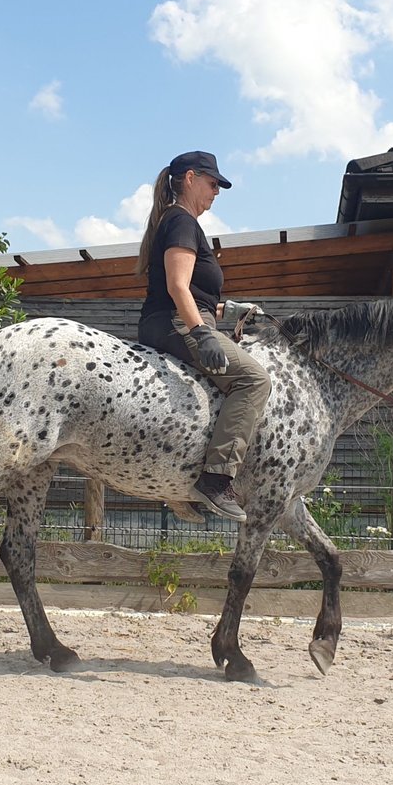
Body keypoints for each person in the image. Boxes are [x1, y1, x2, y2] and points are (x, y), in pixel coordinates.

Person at [136, 151, 271, 523]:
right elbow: (177, 285)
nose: (217, 192)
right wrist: (202, 331)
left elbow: (190, 289)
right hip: (177, 322)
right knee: (254, 380)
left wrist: (219, 309)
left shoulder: (177, 221)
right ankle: (215, 480)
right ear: (191, 178)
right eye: (213, 184)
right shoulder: (181, 221)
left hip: (183, 316)